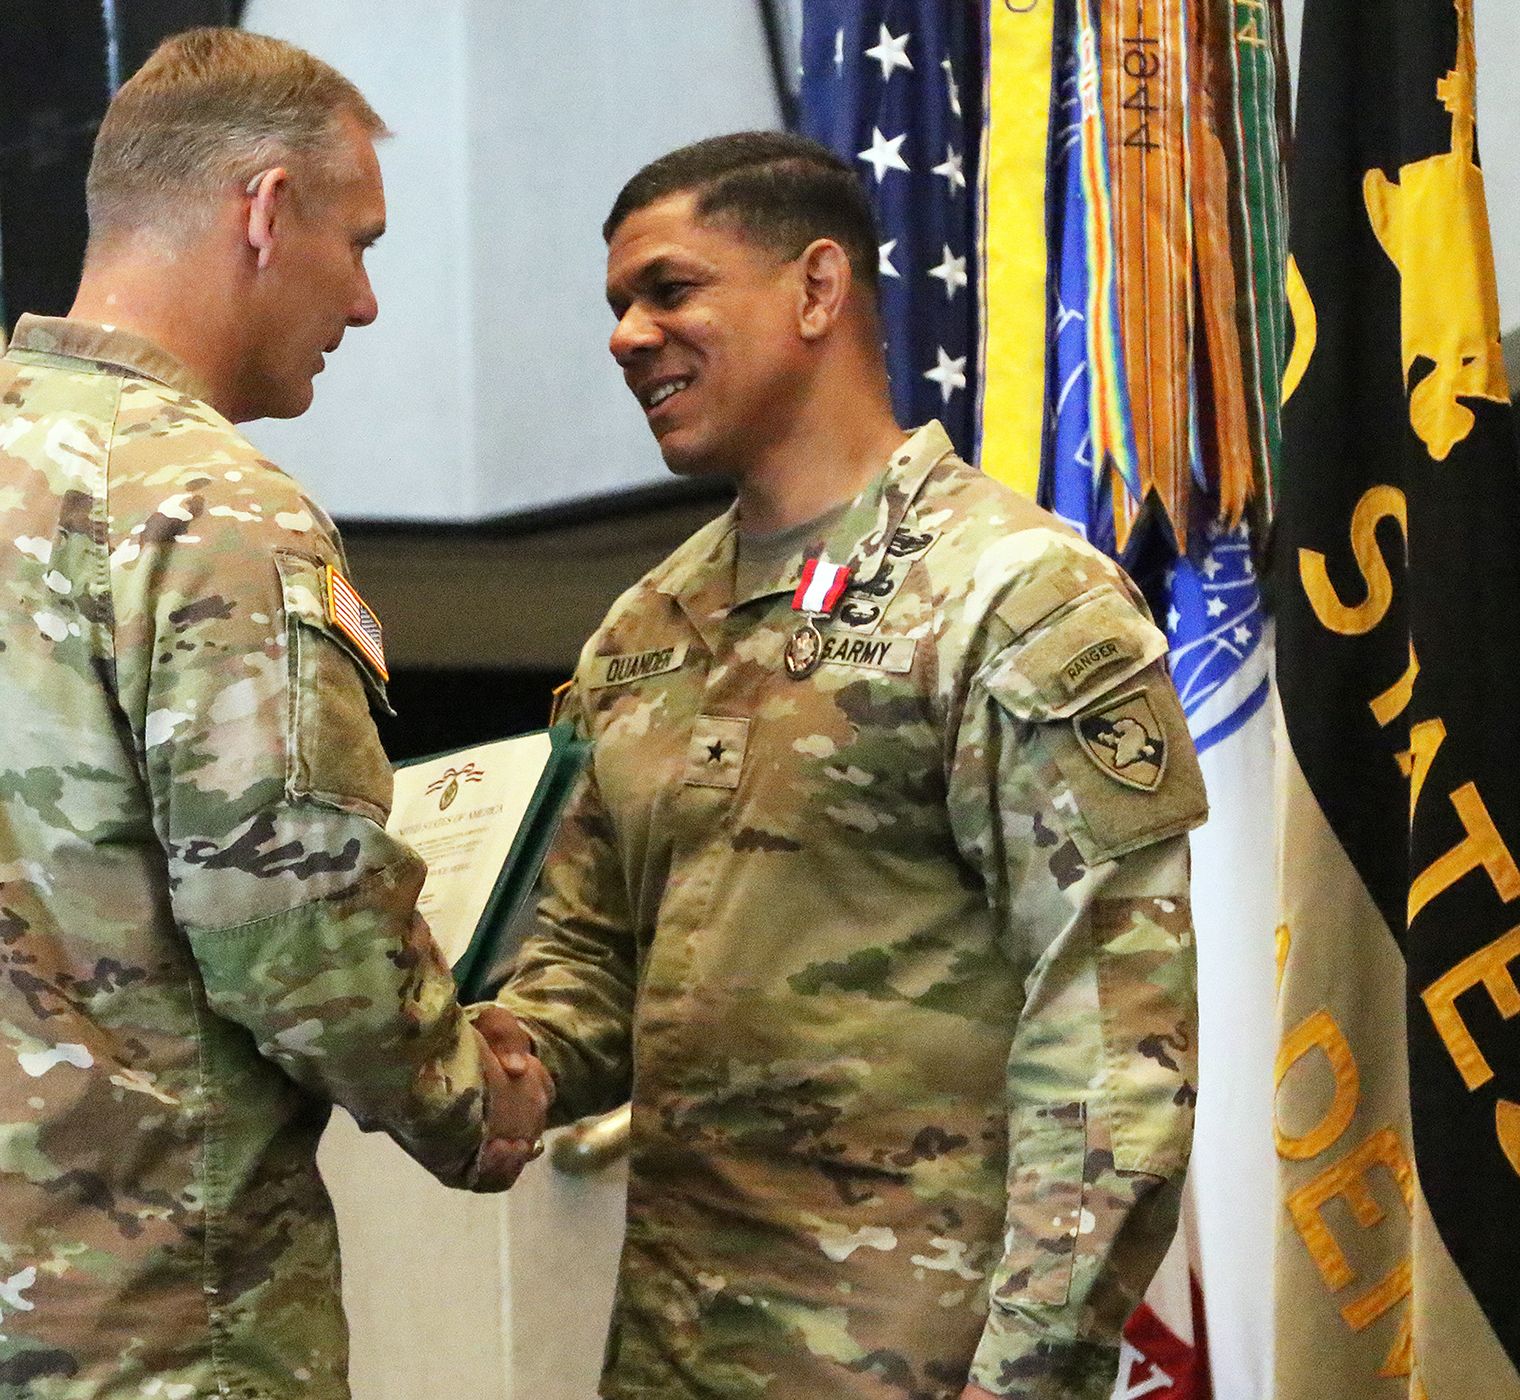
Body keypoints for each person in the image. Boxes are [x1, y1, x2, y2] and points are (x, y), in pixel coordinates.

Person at [0, 29, 549, 1400]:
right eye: (362, 243)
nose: (365, 304)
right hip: (128, 1341)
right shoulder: (216, 508)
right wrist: (474, 1101)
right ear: (266, 211)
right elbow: (296, 937)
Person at [481, 132, 1206, 1400]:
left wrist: (1029, 1376)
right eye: (616, 308)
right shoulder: (641, 632)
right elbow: (589, 967)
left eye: (668, 289)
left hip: (922, 1364)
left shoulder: (1015, 596)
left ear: (818, 288)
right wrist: (463, 1058)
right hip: (672, 1357)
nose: (627, 338)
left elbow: (1111, 1034)